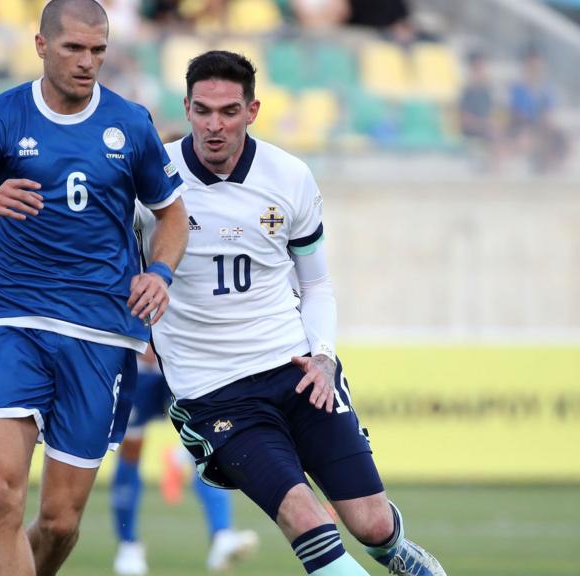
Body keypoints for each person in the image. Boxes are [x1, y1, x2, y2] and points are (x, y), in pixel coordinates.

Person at [136, 50, 446, 576]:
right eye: (203, 110)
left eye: (229, 111)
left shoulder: (289, 176)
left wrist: (323, 358)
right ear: (186, 107)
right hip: (214, 391)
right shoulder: (151, 183)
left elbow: (317, 282)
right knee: (306, 517)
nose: (215, 125)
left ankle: (393, 551)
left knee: (371, 524)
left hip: (296, 369)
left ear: (252, 110)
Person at [0, 0, 188, 574]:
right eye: (73, 48)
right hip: (14, 320)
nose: (87, 62)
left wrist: (160, 274)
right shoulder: (1, 116)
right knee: (0, 496)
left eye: (97, 51)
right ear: (42, 47)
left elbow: (173, 216)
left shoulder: (131, 124)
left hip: (100, 333)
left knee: (61, 522)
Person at [111, 348, 259, 575]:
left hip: (181, 360)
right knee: (131, 448)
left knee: (205, 443)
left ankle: (221, 534)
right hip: (140, 364)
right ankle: (128, 544)